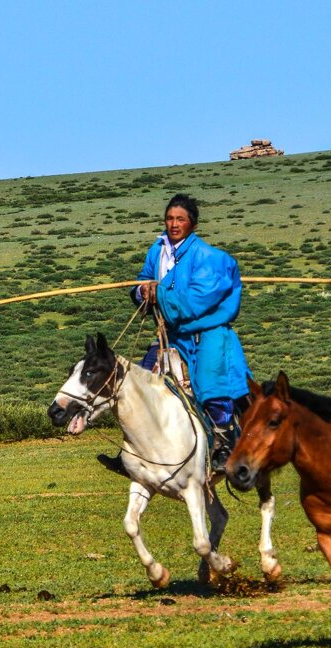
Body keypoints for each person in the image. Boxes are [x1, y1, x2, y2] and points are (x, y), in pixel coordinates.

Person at [100, 194, 251, 475]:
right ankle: (131, 453)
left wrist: (161, 294)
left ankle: (224, 446)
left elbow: (198, 299)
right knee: (140, 382)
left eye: (180, 219)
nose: (174, 224)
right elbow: (143, 278)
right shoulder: (157, 251)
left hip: (208, 332)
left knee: (210, 384)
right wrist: (142, 291)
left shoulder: (210, 258)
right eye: (169, 218)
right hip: (171, 334)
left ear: (192, 223)